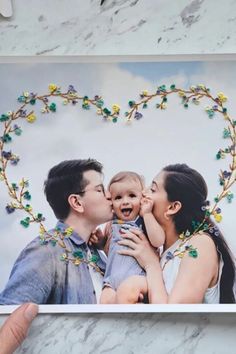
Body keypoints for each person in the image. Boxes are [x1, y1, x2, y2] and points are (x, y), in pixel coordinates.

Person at [0, 159, 113, 304]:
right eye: (99, 190)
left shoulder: (97, 253)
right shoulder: (47, 250)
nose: (109, 195)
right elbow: (10, 313)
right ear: (77, 203)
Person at [118, 164, 235, 303]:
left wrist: (152, 265)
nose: (143, 192)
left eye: (153, 189)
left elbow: (175, 317)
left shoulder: (200, 243)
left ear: (173, 207)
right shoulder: (164, 252)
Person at [99, 171, 165, 304]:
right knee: (104, 301)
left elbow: (158, 241)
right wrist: (100, 242)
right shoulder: (111, 224)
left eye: (132, 195)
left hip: (138, 278)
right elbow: (109, 248)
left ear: (142, 198)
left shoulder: (144, 220)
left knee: (126, 293)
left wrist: (147, 214)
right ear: (111, 202)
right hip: (112, 280)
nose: (125, 201)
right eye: (118, 197)